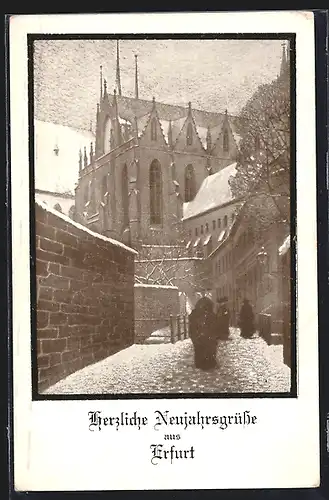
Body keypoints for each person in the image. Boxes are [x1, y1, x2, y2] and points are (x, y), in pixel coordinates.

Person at [188, 296, 218, 370]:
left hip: (201, 336)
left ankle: (202, 362)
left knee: (200, 349)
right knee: (207, 349)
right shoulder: (210, 315)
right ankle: (208, 362)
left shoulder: (196, 314)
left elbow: (192, 327)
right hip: (205, 336)